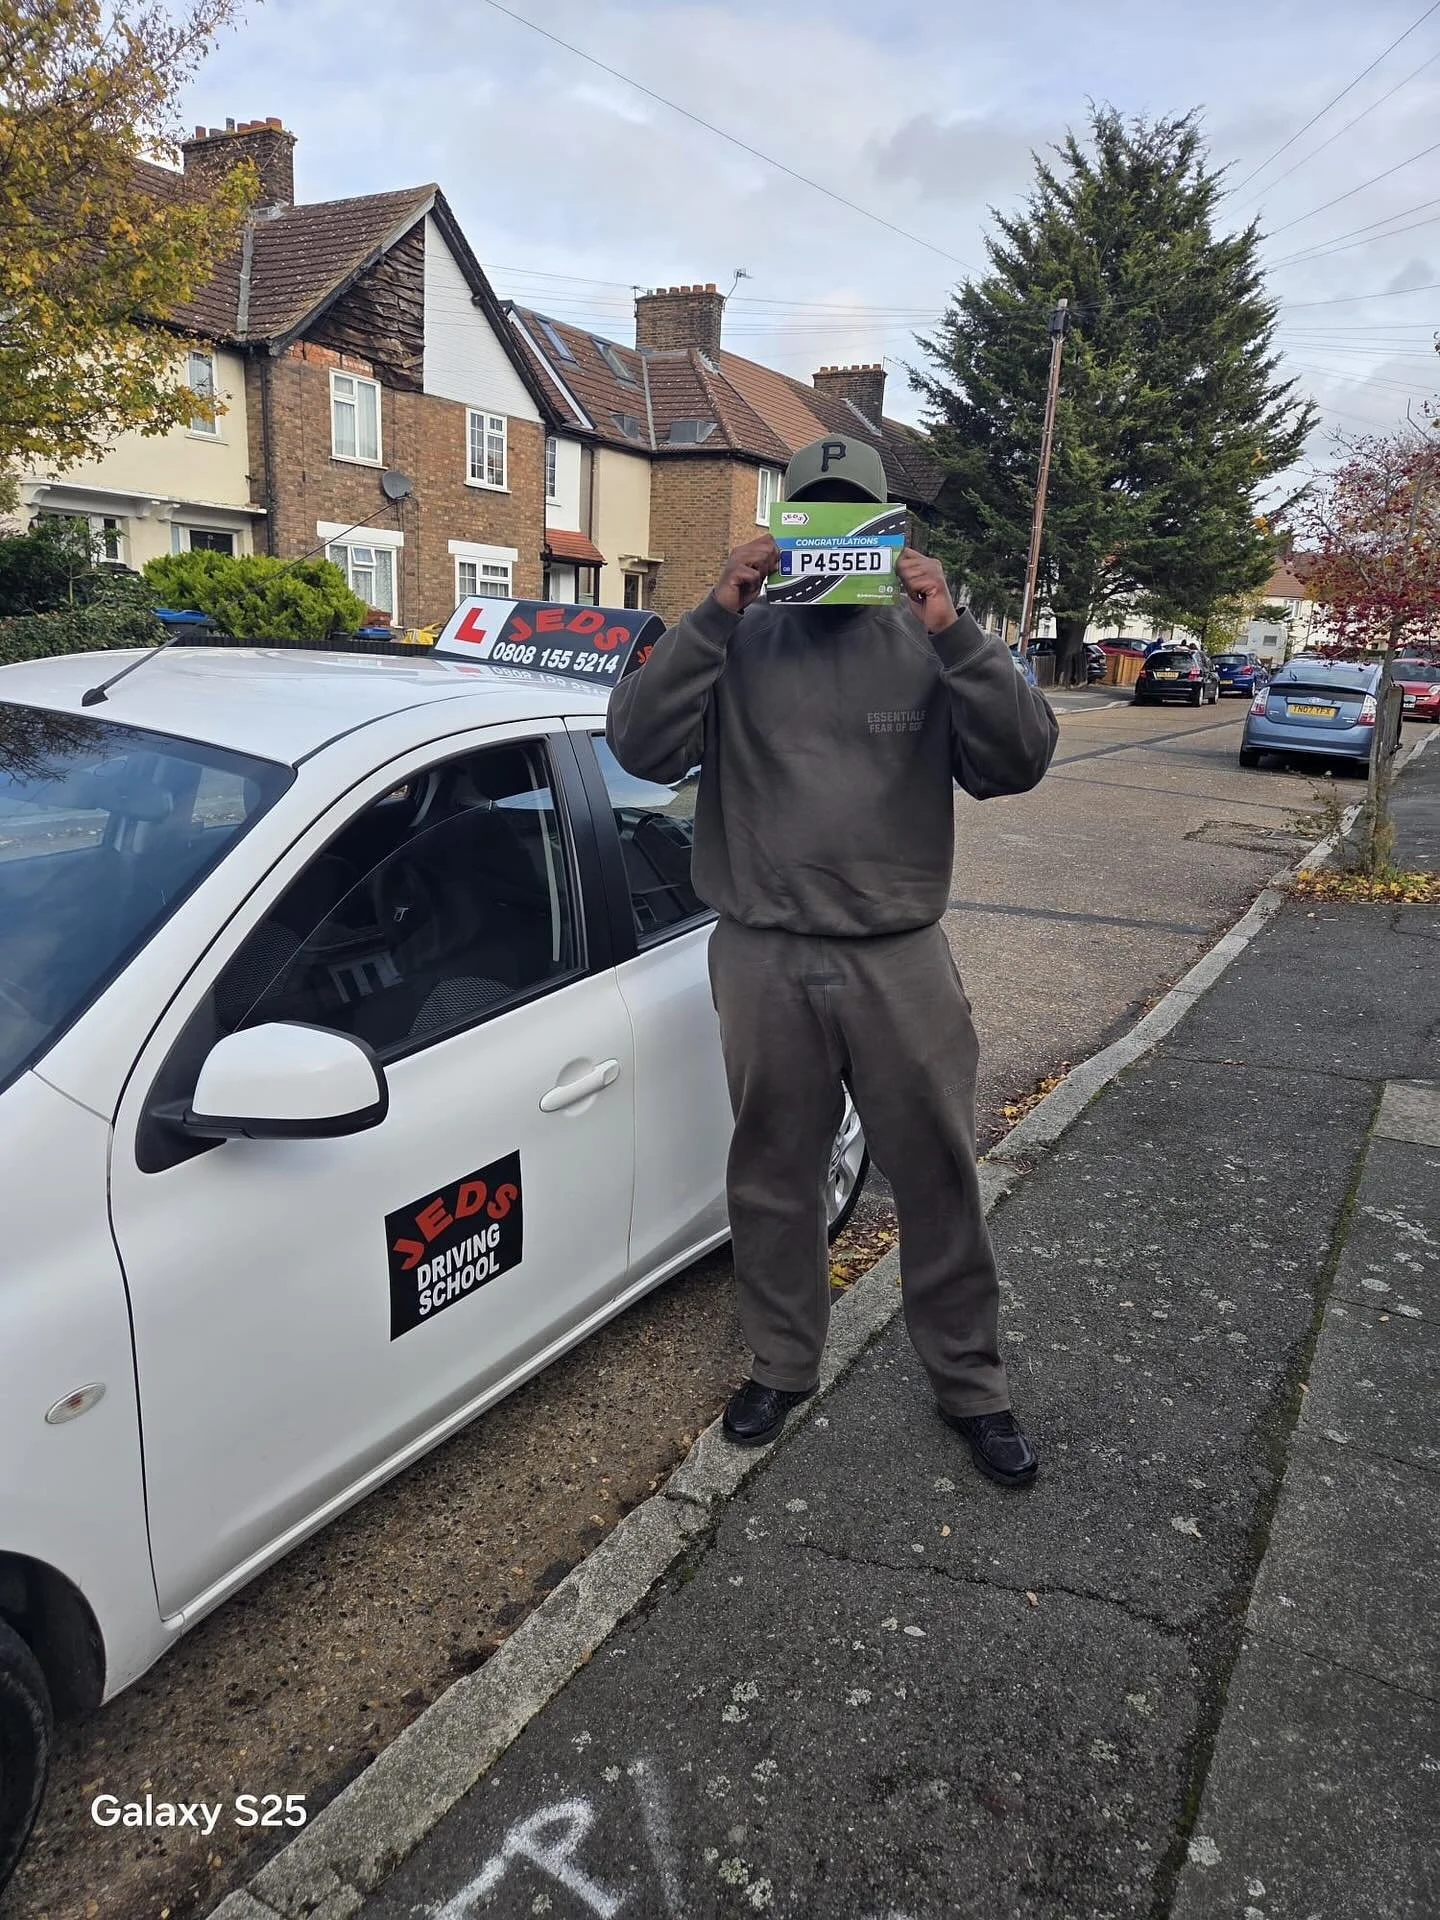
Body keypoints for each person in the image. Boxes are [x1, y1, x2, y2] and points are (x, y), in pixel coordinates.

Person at [606, 435, 1058, 1487]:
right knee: (771, 1175)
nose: (835, 539)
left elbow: (1019, 758)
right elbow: (637, 747)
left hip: (898, 954)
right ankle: (782, 1361)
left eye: (857, 517)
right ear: (787, 520)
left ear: (887, 527)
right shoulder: (740, 638)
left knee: (938, 1175)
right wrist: (718, 602)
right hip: (761, 951)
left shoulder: (925, 638)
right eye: (815, 516)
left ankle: (972, 1383)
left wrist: (952, 627)